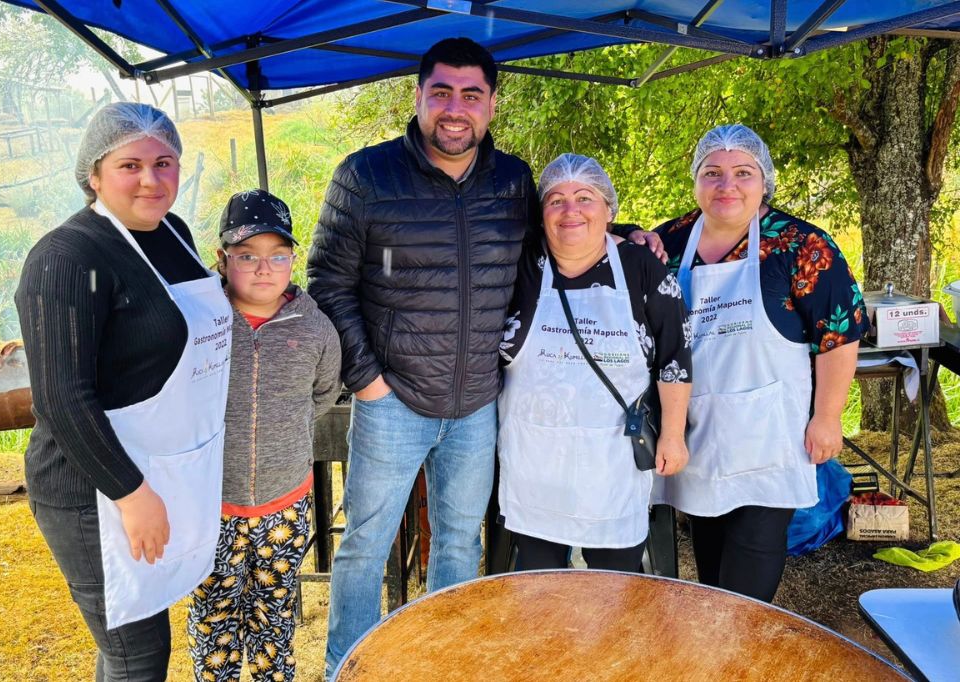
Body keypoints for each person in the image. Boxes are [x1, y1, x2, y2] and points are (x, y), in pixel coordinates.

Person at [306, 37, 540, 676]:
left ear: (491, 104)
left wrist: (632, 238)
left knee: (459, 545)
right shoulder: (366, 177)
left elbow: (562, 243)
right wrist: (368, 382)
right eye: (441, 92)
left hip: (477, 404)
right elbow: (327, 283)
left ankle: (444, 665)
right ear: (418, 97)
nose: (455, 109)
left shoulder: (513, 182)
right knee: (365, 547)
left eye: (471, 95)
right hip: (392, 403)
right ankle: (346, 668)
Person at [15, 103, 232, 680]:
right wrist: (131, 495)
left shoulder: (173, 234)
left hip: (164, 469)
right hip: (94, 488)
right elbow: (62, 399)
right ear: (93, 173)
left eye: (164, 163)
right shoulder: (66, 258)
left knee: (130, 641)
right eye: (129, 165)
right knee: (137, 653)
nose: (150, 180)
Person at [647, 124, 867, 602]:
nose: (727, 185)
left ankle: (741, 642)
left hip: (769, 436)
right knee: (710, 561)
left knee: (748, 575)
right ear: (695, 179)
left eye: (743, 173)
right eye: (713, 173)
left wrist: (828, 417)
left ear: (764, 179)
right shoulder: (669, 243)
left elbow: (840, 333)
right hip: (695, 432)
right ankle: (720, 643)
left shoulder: (801, 245)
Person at [497, 154, 691, 571]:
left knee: (615, 587)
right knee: (540, 588)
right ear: (541, 214)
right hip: (535, 464)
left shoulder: (642, 268)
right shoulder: (520, 265)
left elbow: (675, 357)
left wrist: (673, 435)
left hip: (612, 464)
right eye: (556, 200)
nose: (571, 210)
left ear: (609, 209)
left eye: (585, 198)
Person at [186, 189, 341, 682]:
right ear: (222, 258)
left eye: (277, 255)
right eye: (247, 256)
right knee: (214, 618)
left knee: (273, 618)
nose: (263, 269)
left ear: (293, 259)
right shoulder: (198, 321)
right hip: (212, 504)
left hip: (284, 506)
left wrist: (283, 432)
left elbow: (323, 394)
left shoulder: (315, 328)